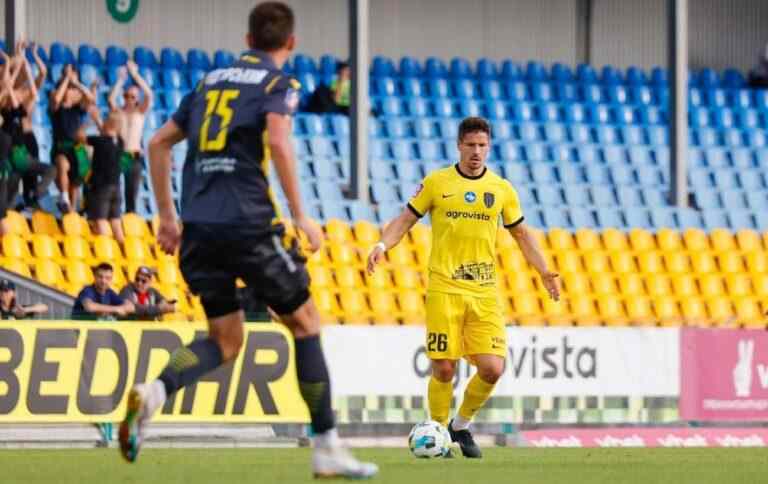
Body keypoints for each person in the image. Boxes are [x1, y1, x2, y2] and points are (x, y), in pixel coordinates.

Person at [120, 2, 377, 479]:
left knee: (225, 339)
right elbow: (278, 141)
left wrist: (167, 218)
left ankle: (153, 392)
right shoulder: (278, 84)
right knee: (305, 322)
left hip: (198, 229)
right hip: (247, 223)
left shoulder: (208, 83)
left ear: (248, 38)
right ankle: (326, 446)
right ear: (290, 43)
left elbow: (156, 143)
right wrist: (301, 216)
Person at [367, 116, 561, 458]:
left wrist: (544, 271)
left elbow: (521, 234)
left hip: (484, 291)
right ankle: (439, 434)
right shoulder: (437, 182)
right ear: (459, 145)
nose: (476, 152)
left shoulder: (501, 189)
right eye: (470, 145)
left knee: (493, 368)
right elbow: (406, 219)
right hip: (444, 289)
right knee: (444, 367)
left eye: (482, 145)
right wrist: (383, 245)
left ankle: (460, 424)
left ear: (489, 147)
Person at [0, 43, 55, 211]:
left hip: (27, 140)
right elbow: (6, 82)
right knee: (13, 179)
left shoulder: (25, 95)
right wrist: (15, 60)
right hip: (12, 142)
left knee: (27, 179)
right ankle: (10, 207)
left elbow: (41, 76)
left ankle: (30, 200)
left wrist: (26, 57)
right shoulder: (8, 98)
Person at [50, 64, 96, 213]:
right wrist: (67, 80)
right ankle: (64, 198)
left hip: (76, 146)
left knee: (77, 178)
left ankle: (73, 208)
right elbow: (57, 99)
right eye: (70, 88)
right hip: (61, 145)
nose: (72, 91)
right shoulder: (56, 101)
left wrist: (76, 83)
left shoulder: (77, 107)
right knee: (62, 165)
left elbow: (90, 98)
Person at [108, 60, 153, 214]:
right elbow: (111, 99)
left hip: (133, 155)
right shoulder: (119, 112)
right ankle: (113, 216)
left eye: (132, 97)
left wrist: (135, 75)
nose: (129, 99)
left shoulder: (140, 112)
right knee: (114, 187)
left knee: (131, 191)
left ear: (137, 99)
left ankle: (130, 217)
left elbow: (149, 95)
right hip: (120, 154)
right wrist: (120, 80)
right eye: (126, 96)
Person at [85, 111, 126, 242]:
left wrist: (88, 123)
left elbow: (79, 137)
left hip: (102, 186)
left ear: (107, 124)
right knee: (116, 221)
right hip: (116, 186)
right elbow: (109, 133)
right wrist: (99, 121)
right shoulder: (120, 142)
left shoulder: (99, 141)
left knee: (100, 220)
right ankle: (122, 249)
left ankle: (106, 248)